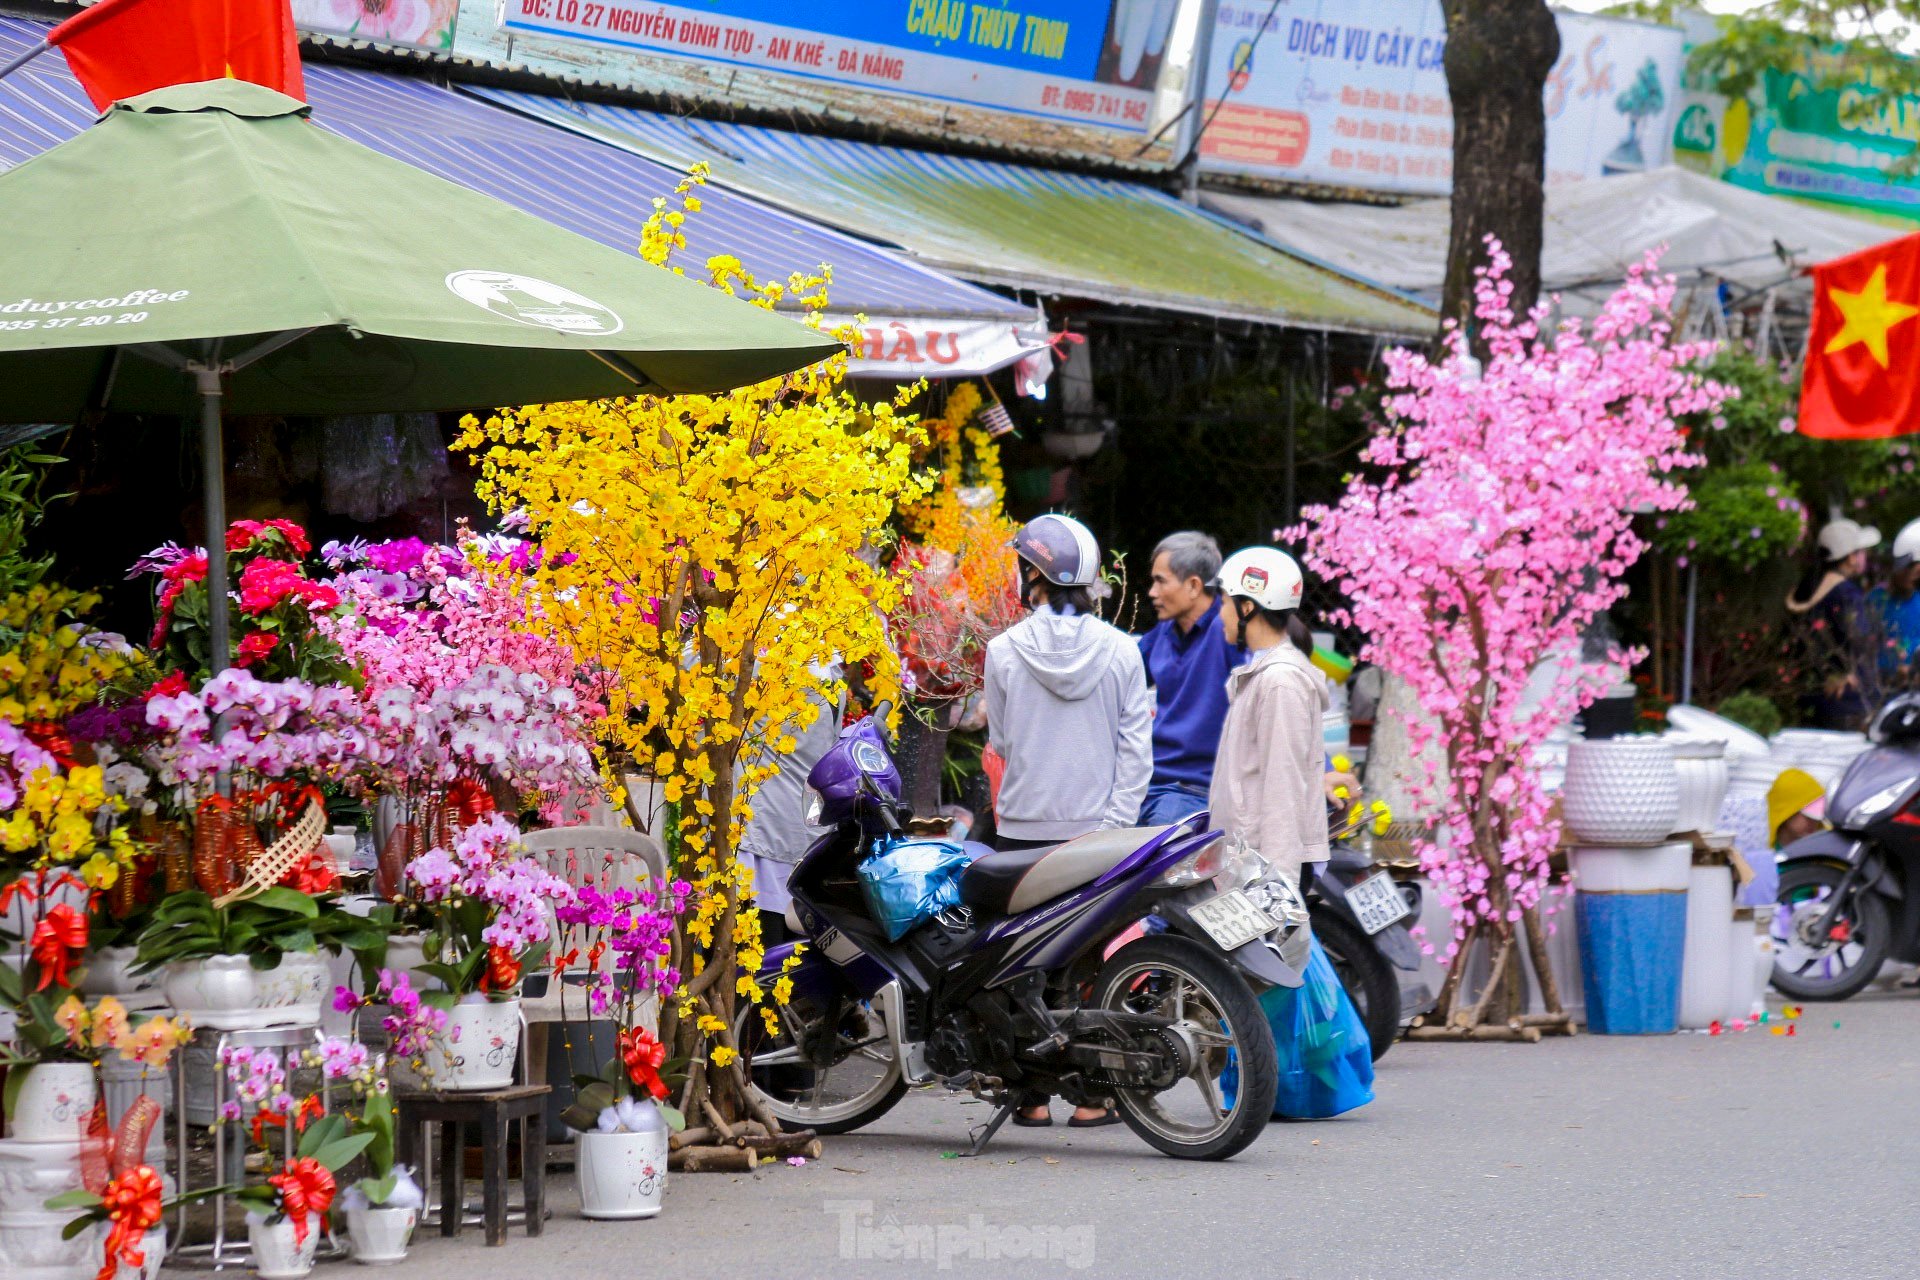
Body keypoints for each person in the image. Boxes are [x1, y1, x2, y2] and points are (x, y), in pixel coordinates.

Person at [984, 513, 1150, 1129]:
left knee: (1019, 959)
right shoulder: (1124, 652)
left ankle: (1027, 1096)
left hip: (1024, 827)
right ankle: (1095, 1095)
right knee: (1093, 959)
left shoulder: (1002, 652)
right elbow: (1136, 751)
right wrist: (1114, 825)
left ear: (1032, 575)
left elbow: (999, 740)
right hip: (1098, 831)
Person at [1209, 546, 1328, 892]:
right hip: (1250, 864)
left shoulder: (1280, 683)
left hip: (1263, 872)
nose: (1220, 616)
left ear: (1247, 607)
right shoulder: (1265, 675)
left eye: (1224, 603)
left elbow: (1284, 791)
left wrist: (1279, 891)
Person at [1136, 531, 1246, 825]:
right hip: (1148, 785)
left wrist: (1322, 769)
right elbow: (1116, 675)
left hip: (1195, 791)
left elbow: (1276, 700)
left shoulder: (1227, 632)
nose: (1152, 592)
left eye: (1161, 581)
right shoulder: (1162, 633)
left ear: (1194, 585)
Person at [1786, 518, 1882, 730]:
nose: (1864, 557)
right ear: (1850, 557)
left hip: (1811, 699)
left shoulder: (1806, 589)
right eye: (1862, 551)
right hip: (1848, 703)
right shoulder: (1846, 594)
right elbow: (1861, 642)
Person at [1872, 518, 1920, 673]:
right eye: (1905, 567)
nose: (1910, 573)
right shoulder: (1876, 600)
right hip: (1885, 687)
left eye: (1913, 566)